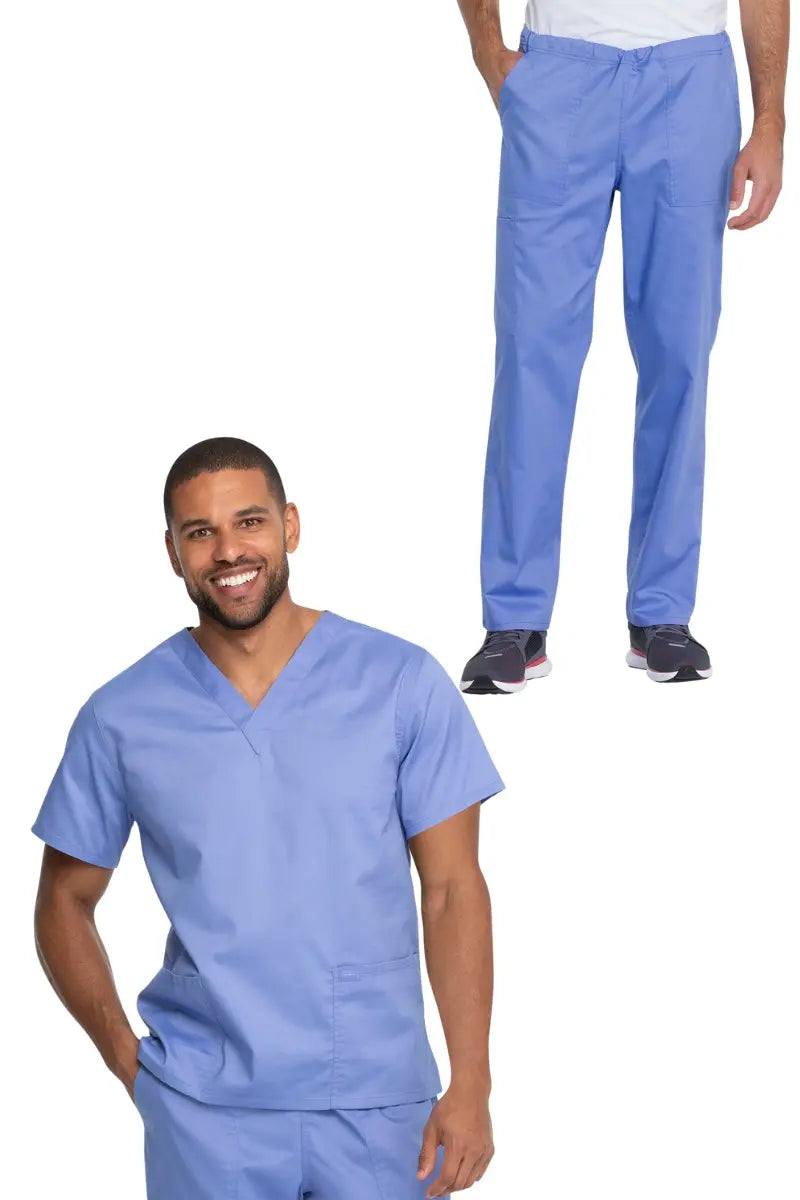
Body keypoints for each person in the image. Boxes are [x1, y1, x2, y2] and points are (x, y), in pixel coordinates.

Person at [32, 437, 503, 1199]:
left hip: (382, 1106)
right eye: (199, 533)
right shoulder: (122, 716)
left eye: (247, 522)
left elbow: (451, 887)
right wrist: (126, 1059)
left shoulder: (399, 682)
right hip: (205, 1109)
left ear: (289, 525)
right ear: (173, 552)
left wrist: (472, 1083)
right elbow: (63, 900)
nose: (227, 551)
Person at [456, 0, 787, 691]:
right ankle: (514, 617)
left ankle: (661, 612)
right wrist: (489, 52)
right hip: (557, 75)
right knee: (531, 352)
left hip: (689, 78)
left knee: (680, 353)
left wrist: (771, 118)